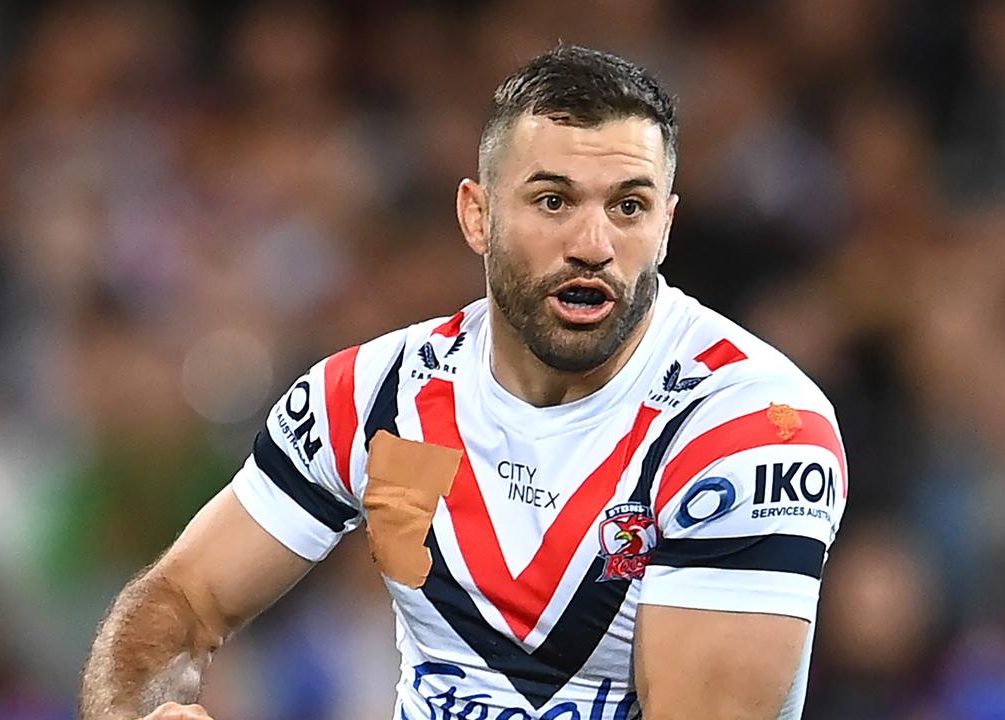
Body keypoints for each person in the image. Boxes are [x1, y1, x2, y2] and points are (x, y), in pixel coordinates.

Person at [79, 45, 847, 720]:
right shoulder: (375, 400)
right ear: (477, 216)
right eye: (553, 201)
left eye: (630, 207)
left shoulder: (752, 430)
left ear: (668, 226)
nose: (593, 244)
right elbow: (181, 601)